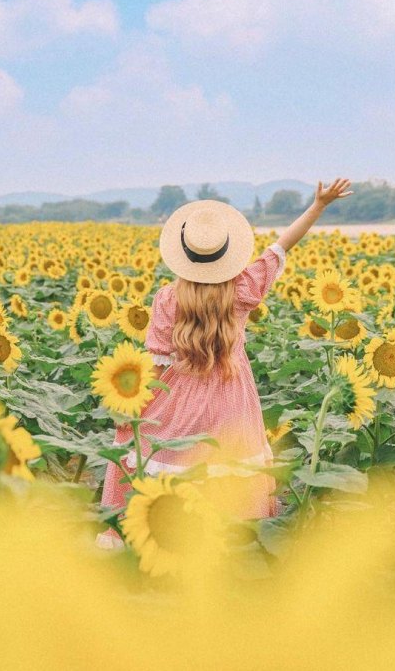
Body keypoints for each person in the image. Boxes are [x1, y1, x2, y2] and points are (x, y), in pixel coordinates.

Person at [95, 177, 354, 549]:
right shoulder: (244, 290)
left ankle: (161, 541)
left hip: (179, 397)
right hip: (233, 398)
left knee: (157, 458)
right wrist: (318, 206)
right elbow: (281, 247)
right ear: (226, 253)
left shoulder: (168, 299)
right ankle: (232, 546)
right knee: (230, 468)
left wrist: (128, 409)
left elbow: (154, 366)